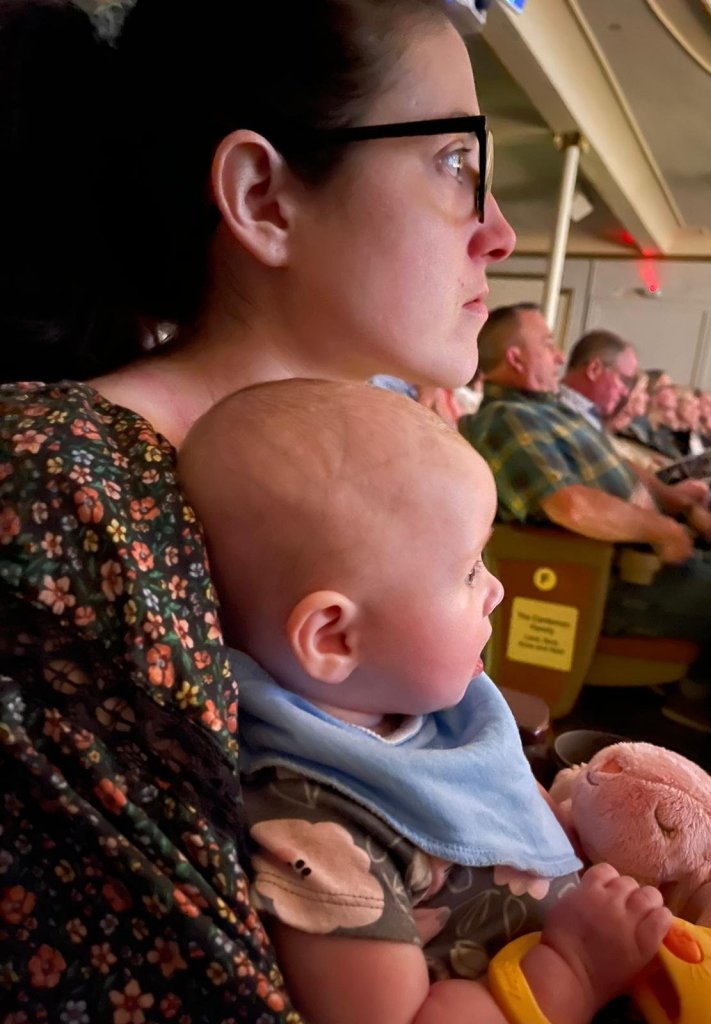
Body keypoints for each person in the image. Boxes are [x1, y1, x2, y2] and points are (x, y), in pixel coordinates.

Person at [0, 0, 516, 1019]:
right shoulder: (61, 485)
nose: (499, 232)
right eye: (457, 162)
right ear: (262, 196)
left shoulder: (384, 445)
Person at [177, 377, 674, 1024]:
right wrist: (574, 973)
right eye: (469, 570)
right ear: (333, 637)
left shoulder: (415, 700)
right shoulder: (318, 833)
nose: (495, 590)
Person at [460, 304, 711, 781]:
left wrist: (682, 507)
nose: (559, 355)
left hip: (646, 561)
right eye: (547, 343)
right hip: (608, 584)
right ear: (517, 358)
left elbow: (625, 468)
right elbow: (570, 505)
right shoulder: (506, 418)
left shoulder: (550, 410)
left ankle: (699, 704)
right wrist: (661, 529)